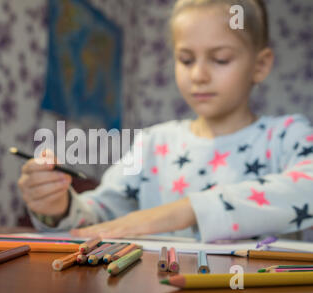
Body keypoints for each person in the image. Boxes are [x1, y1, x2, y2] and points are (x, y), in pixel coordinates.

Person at [18, 0, 313, 243]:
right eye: (186, 59)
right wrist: (57, 206)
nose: (198, 75)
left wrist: (188, 210)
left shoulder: (286, 136)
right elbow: (99, 218)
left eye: (220, 59)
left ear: (260, 65)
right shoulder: (153, 143)